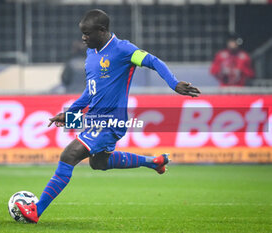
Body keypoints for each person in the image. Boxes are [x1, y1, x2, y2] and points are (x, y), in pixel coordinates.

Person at [15, 9, 201, 223]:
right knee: (99, 163)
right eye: (82, 33)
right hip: (94, 119)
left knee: (68, 156)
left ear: (102, 31)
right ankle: (153, 161)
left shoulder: (123, 49)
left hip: (111, 121)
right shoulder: (91, 53)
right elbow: (90, 91)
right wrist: (70, 113)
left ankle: (36, 211)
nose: (83, 38)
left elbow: (153, 61)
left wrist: (174, 83)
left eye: (87, 33)